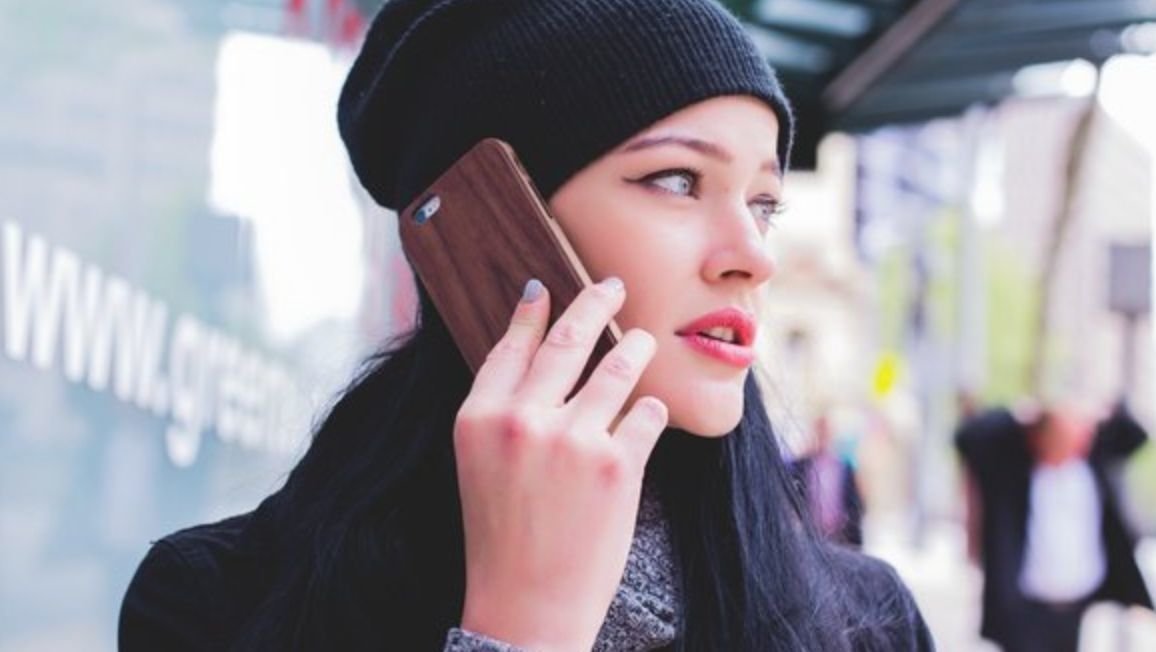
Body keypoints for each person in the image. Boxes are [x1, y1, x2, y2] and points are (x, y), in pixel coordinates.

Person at [119, 1, 934, 650]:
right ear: (492, 224)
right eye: (678, 181)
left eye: (763, 203)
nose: (753, 257)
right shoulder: (216, 605)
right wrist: (522, 629)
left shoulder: (865, 624)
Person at [955, 399, 1153, 652]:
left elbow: (1136, 434)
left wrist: (1103, 410)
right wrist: (1016, 415)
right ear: (1039, 438)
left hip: (1077, 604)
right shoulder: (1012, 469)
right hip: (1025, 609)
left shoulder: (1093, 462)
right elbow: (967, 437)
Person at [790, 411, 864, 548]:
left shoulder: (844, 467)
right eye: (820, 430)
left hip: (839, 537)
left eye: (827, 431)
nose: (823, 436)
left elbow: (855, 503)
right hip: (809, 535)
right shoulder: (801, 466)